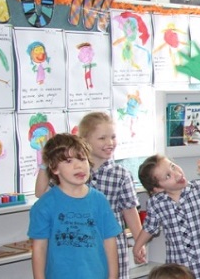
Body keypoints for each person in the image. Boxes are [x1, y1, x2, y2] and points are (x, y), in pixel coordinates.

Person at [34, 112, 141, 279]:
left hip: (111, 247)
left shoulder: (120, 174)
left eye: (113, 137)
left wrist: (139, 242)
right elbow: (41, 193)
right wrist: (46, 162)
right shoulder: (69, 176)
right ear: (85, 140)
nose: (110, 142)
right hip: (74, 257)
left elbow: (130, 211)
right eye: (102, 138)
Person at [27, 133, 121, 279]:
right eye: (69, 161)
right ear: (54, 168)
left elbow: (110, 242)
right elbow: (39, 248)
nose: (78, 165)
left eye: (82, 159)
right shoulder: (44, 205)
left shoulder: (99, 201)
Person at [133, 154, 200, 279]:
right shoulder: (156, 203)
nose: (176, 173)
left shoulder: (198, 188)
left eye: (173, 166)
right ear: (158, 188)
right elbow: (149, 228)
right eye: (168, 176)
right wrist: (137, 247)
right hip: (178, 263)